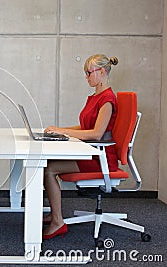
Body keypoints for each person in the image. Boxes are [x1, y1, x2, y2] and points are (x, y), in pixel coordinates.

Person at [42, 54, 119, 240]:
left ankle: (58, 222)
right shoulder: (95, 97)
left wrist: (64, 132)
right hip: (91, 152)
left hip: (100, 158)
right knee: (47, 165)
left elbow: (96, 134)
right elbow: (86, 128)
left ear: (101, 72)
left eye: (88, 73)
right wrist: (59, 130)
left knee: (49, 169)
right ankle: (55, 215)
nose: (86, 77)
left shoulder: (107, 100)